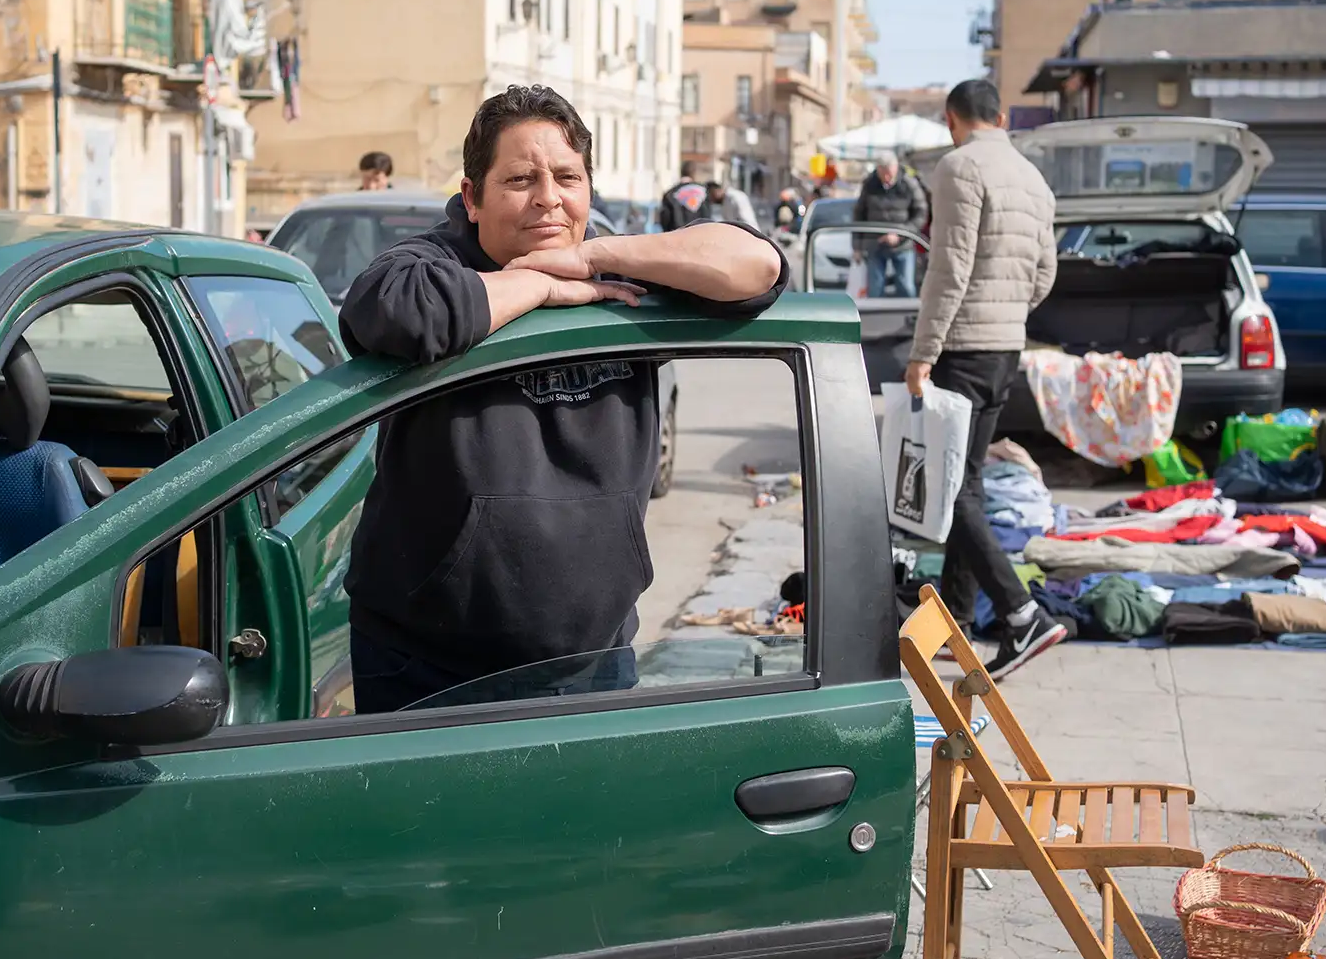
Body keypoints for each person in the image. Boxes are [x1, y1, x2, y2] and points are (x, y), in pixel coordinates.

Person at [339, 85, 787, 712]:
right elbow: (403, 314)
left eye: (567, 177)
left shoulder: (621, 273)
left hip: (592, 666)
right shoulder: (429, 265)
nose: (547, 197)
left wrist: (591, 255)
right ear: (471, 198)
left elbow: (756, 266)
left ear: (589, 190)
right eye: (520, 178)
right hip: (426, 666)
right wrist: (538, 286)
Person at [905, 79, 1064, 680]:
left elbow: (950, 268)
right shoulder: (1032, 177)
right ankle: (960, 623)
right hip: (1005, 346)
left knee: (954, 490)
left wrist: (924, 350)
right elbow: (1045, 270)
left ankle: (1022, 614)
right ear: (999, 115)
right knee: (966, 481)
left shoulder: (958, 167)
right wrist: (1010, 315)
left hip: (964, 345)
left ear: (952, 119)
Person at [855, 153, 928, 297]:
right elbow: (859, 214)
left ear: (895, 168)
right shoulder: (869, 184)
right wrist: (857, 246)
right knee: (875, 289)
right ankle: (875, 319)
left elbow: (921, 214)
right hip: (875, 243)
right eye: (883, 174)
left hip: (903, 243)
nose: (887, 178)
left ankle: (906, 318)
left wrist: (900, 234)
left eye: (889, 174)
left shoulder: (908, 184)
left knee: (906, 287)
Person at [659, 162, 709, 232]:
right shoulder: (704, 192)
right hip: (699, 235)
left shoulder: (670, 193)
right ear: (694, 173)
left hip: (677, 235)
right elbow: (707, 216)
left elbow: (665, 218)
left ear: (681, 172)